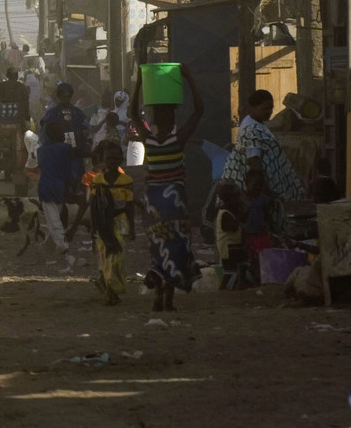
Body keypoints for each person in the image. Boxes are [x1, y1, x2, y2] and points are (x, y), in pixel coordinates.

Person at [128, 68, 203, 312]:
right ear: (172, 121)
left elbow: (132, 113)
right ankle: (168, 299)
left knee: (158, 247)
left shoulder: (148, 140)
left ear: (154, 120)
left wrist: (139, 83)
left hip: (154, 203)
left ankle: (159, 296)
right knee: (176, 246)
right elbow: (199, 110)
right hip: (175, 202)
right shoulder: (177, 140)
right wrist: (189, 78)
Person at [219, 90, 309, 202]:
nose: (270, 112)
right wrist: (265, 191)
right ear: (253, 107)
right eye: (265, 108)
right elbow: (254, 161)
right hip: (256, 191)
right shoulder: (251, 130)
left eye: (271, 108)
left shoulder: (257, 124)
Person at [77, 141, 135, 305]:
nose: (112, 162)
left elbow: (129, 206)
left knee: (117, 257)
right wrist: (93, 227)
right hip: (103, 224)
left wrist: (132, 228)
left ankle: (112, 288)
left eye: (115, 159)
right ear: (104, 160)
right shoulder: (98, 181)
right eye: (109, 159)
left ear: (121, 160)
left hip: (120, 223)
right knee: (106, 258)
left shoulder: (126, 180)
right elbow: (94, 205)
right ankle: (111, 292)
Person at [36, 119, 77, 263]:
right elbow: (70, 167)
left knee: (53, 219)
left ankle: (56, 245)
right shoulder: (66, 148)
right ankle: (57, 245)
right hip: (60, 186)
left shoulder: (41, 151)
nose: (64, 134)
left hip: (46, 187)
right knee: (55, 219)